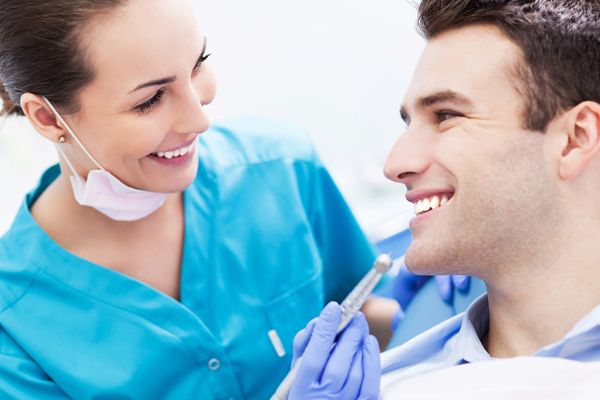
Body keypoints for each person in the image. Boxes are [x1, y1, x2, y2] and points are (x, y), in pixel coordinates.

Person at [0, 0, 413, 398]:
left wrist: (432, 307)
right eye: (150, 100)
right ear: (48, 117)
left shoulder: (281, 168)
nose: (200, 119)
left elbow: (356, 314)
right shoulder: (13, 324)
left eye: (198, 63)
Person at [289, 0, 600, 397]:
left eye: (447, 115)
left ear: (575, 140)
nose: (395, 164)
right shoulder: (389, 386)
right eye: (409, 122)